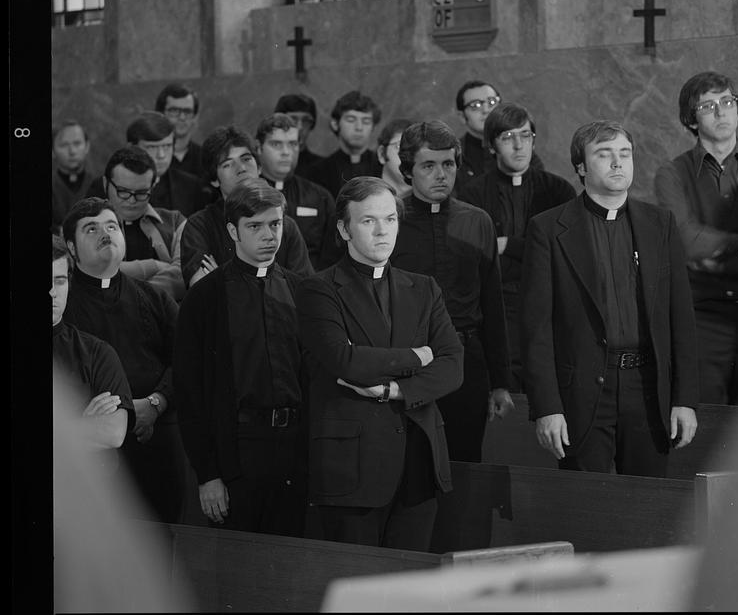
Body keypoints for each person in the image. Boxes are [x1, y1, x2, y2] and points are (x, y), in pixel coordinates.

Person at [520, 120, 699, 477]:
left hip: (648, 390)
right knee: (587, 513)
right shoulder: (548, 229)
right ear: (581, 167)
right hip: (582, 395)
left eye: (625, 154)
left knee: (648, 507)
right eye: (604, 155)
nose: (618, 163)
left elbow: (681, 317)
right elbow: (535, 328)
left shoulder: (660, 224)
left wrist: (685, 399)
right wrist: (547, 407)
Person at [295, 177, 463, 551]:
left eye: (390, 219)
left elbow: (453, 364)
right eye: (368, 221)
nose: (382, 231)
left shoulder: (424, 288)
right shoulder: (318, 289)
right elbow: (345, 360)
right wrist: (418, 356)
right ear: (344, 229)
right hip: (353, 467)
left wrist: (395, 390)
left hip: (419, 461)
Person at [174, 178, 308, 535]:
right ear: (233, 230)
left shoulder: (300, 290)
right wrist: (208, 475)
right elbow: (190, 394)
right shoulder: (205, 298)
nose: (269, 236)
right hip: (238, 450)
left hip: (295, 448)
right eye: (255, 226)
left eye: (275, 224)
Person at [392, 121, 514, 463]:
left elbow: (492, 302)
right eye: (428, 166)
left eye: (448, 164)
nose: (441, 175)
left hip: (467, 363)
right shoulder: (391, 221)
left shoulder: (478, 221)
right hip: (409, 364)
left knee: (465, 464)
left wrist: (500, 381)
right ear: (407, 171)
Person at [61, 198, 187, 521]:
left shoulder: (155, 297)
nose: (105, 233)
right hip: (91, 455)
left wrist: (157, 402)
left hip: (156, 444)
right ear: (72, 250)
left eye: (111, 226)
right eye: (91, 229)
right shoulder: (61, 306)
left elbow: (188, 361)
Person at [460, 102, 576, 390]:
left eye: (526, 135)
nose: (519, 145)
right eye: (508, 138)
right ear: (491, 145)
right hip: (497, 304)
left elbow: (562, 252)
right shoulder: (472, 196)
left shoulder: (558, 190)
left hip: (549, 301)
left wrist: (508, 245)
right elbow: (475, 256)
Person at [654, 71, 738, 406]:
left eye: (727, 102)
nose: (721, 112)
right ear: (690, 120)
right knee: (705, 426)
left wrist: (715, 253)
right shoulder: (672, 173)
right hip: (703, 320)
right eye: (708, 106)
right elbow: (684, 239)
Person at [180, 124, 314, 287]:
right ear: (214, 180)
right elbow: (204, 291)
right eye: (228, 164)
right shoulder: (199, 226)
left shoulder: (285, 225)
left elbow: (304, 291)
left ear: (259, 167)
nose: (241, 169)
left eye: (246, 159)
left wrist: (226, 282)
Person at [52, 234, 134, 451]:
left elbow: (114, 433)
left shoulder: (97, 352)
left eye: (59, 281)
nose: (52, 293)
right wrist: (82, 424)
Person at [100, 145, 186, 302]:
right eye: (123, 191)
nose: (132, 200)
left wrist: (134, 298)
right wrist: (154, 266)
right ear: (105, 183)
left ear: (153, 187)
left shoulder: (175, 221)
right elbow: (90, 271)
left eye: (141, 193)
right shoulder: (84, 223)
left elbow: (184, 272)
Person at [254, 113, 339, 270]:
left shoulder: (320, 197)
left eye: (293, 144)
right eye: (277, 144)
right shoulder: (245, 196)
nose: (286, 152)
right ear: (258, 147)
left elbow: (332, 254)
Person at [453, 80, 543, 196]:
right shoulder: (453, 155)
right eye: (476, 105)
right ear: (461, 116)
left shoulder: (520, 148)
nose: (486, 110)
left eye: (492, 102)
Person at [125, 111, 213, 218]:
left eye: (167, 146)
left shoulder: (192, 187)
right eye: (152, 147)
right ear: (131, 148)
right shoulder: (105, 187)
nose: (161, 155)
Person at [307, 90, 383, 199]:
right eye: (351, 120)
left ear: (373, 127)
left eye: (366, 121)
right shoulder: (318, 172)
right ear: (335, 124)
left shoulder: (383, 168)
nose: (359, 127)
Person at [52, 120, 97, 232]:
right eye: (64, 145)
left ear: (87, 146)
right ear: (52, 150)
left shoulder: (99, 184)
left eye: (77, 144)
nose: (72, 151)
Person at [155, 82, 205, 180]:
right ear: (160, 114)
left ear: (195, 117)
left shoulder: (205, 159)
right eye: (174, 111)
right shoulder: (151, 157)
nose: (182, 117)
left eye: (187, 112)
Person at [274, 92, 323, 178]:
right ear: (278, 123)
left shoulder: (322, 168)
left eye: (306, 121)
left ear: (312, 124)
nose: (300, 127)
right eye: (293, 119)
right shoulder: (267, 163)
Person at [376, 118, 413, 199]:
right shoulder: (364, 199)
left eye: (415, 148)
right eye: (399, 146)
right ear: (382, 154)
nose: (409, 154)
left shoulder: (432, 200)